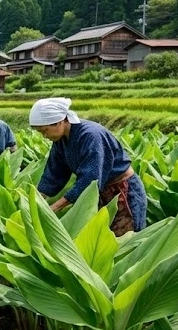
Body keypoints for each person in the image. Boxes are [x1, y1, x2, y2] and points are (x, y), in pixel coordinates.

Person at [30, 98, 147, 236]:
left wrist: (55, 206)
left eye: (45, 130)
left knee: (125, 239)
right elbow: (54, 172)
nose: (44, 136)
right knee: (98, 238)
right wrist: (36, 198)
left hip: (123, 192)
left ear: (60, 121)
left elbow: (90, 179)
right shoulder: (61, 140)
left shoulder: (91, 135)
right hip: (99, 193)